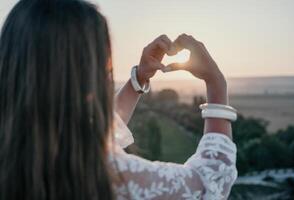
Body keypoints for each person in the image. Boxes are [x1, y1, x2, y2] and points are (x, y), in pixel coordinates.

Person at [0, 0, 238, 199]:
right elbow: (211, 182)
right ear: (88, 75)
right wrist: (216, 84)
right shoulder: (112, 177)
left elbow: (101, 130)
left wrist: (139, 79)